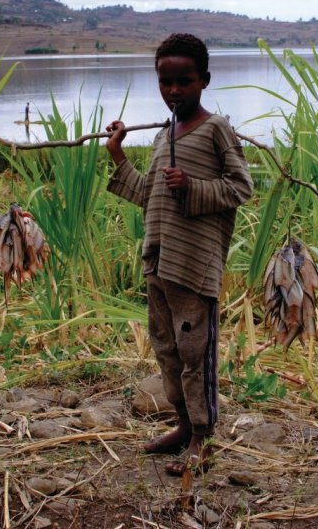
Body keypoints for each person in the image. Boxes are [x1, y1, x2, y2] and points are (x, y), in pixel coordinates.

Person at [104, 33, 253, 475]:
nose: (173, 90)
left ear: (204, 80)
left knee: (196, 353)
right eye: (165, 81)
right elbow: (151, 196)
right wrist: (117, 158)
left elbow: (242, 187)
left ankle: (204, 439)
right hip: (160, 262)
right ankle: (183, 426)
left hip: (194, 267)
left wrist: (193, 187)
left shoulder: (215, 129)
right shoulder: (165, 135)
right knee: (167, 349)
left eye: (183, 81)